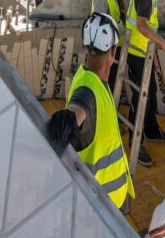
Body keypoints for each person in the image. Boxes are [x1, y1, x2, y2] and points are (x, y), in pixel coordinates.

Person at [46, 12, 134, 211]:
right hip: (100, 210)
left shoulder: (88, 78)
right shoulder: (88, 91)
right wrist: (68, 119)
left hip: (103, 203)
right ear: (113, 52)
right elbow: (79, 107)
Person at [125, 0, 165, 166]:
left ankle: (152, 131)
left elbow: (149, 30)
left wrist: (153, 53)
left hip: (143, 51)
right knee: (140, 98)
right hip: (136, 52)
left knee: (150, 93)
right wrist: (163, 44)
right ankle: (135, 143)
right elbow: (143, 27)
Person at [92, 0, 124, 90]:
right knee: (106, 83)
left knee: (111, 81)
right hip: (106, 48)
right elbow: (98, 25)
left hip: (112, 45)